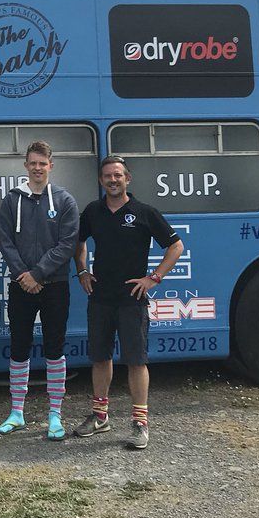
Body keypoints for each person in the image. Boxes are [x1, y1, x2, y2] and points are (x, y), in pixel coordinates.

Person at [73, 155, 184, 450]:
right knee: (100, 357)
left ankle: (140, 423)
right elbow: (78, 243)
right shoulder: (92, 211)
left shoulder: (144, 212)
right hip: (100, 298)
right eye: (107, 176)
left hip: (132, 299)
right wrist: (82, 270)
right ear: (101, 180)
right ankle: (100, 416)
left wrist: (154, 278)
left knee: (136, 360)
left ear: (127, 179)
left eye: (118, 175)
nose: (112, 180)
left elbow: (176, 246)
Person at [0, 140, 79, 441]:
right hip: (21, 286)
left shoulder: (65, 200)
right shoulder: (12, 200)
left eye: (43, 163)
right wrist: (24, 275)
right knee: (19, 348)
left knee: (55, 349)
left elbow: (68, 244)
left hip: (55, 285)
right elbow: (5, 241)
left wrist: (39, 273)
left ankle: (55, 414)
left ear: (51, 166)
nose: (38, 168)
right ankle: (17, 412)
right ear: (26, 165)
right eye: (33, 163)